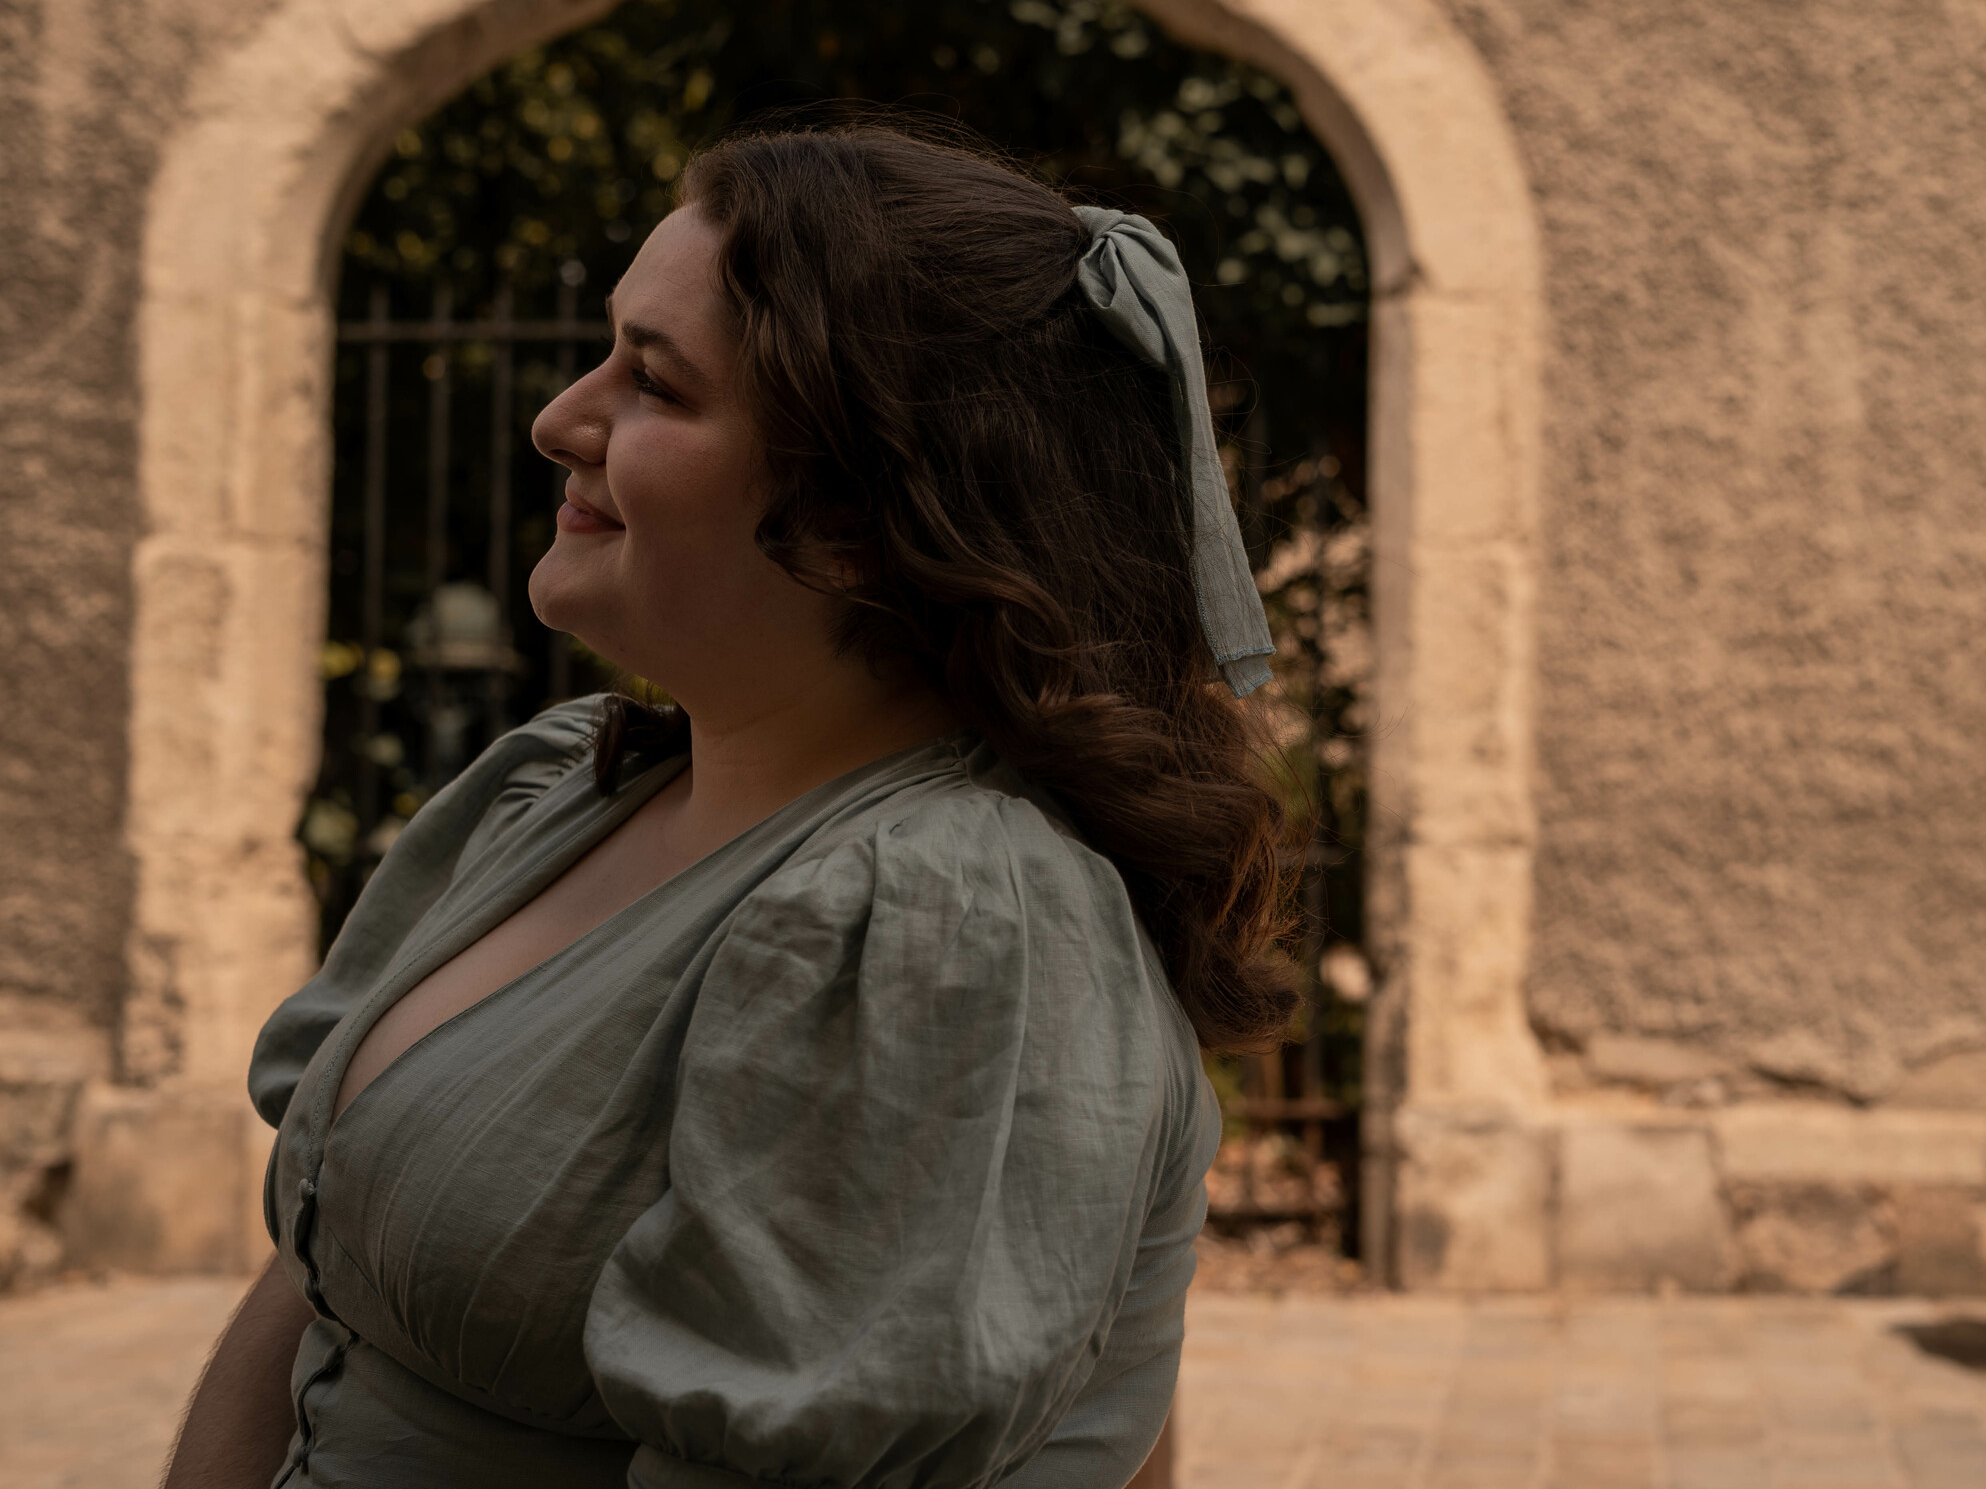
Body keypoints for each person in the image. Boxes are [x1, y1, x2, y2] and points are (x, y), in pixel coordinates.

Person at [162, 124, 1300, 1489]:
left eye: (655, 383)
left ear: (864, 514)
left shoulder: (949, 920)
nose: (560, 420)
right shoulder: (559, 792)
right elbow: (319, 1281)